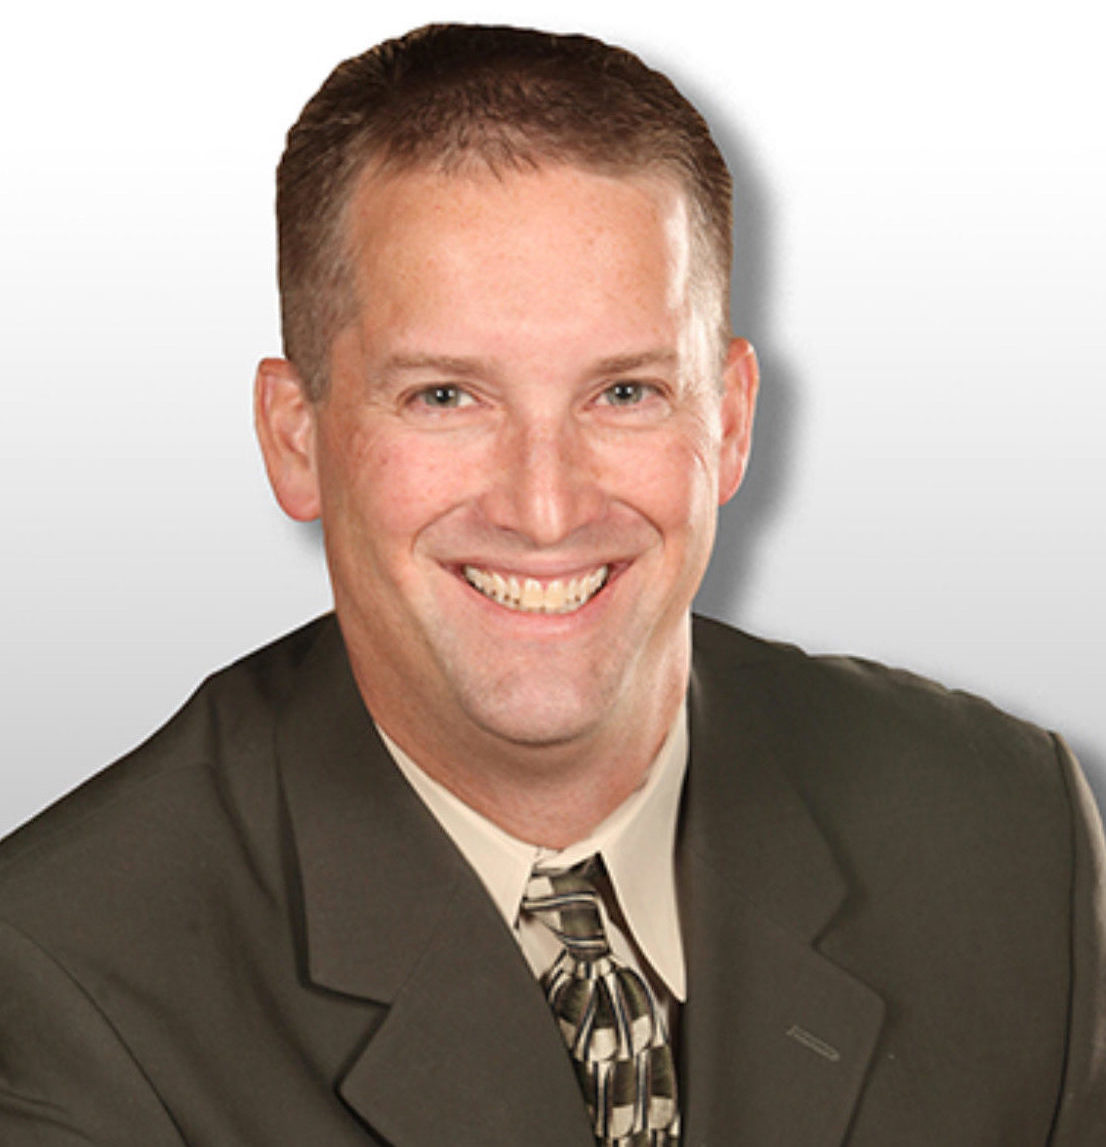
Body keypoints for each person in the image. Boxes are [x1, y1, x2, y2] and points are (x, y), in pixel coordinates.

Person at [0, 22, 1102, 1146]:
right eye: (444, 397)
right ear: (295, 438)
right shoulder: (65, 978)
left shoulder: (1007, 836)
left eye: (622, 392)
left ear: (726, 421)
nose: (544, 506)